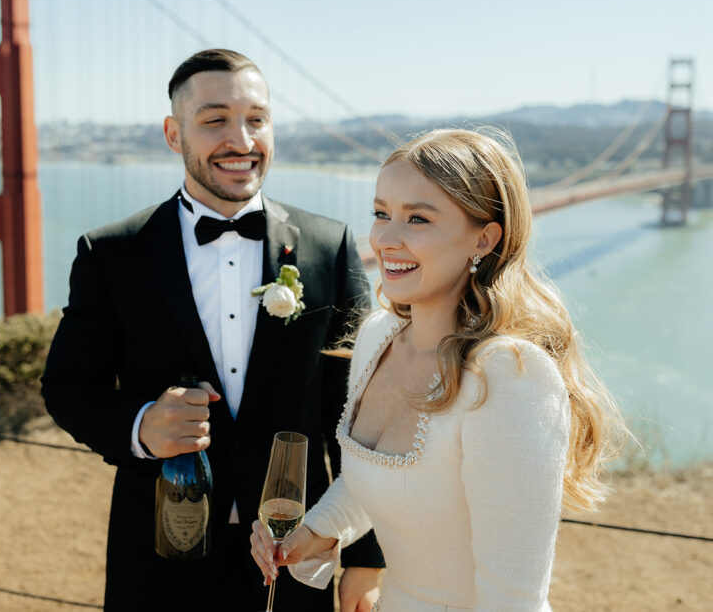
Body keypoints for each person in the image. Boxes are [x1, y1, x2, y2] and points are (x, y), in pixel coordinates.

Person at [41, 49, 384, 611]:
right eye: (215, 119)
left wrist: (366, 558)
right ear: (174, 134)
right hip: (159, 555)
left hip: (298, 552)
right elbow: (67, 386)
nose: (242, 140)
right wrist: (140, 425)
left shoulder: (331, 246)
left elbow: (356, 418)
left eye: (257, 118)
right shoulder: (111, 254)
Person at [249, 128, 625, 610]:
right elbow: (382, 479)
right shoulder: (376, 338)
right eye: (381, 213)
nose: (385, 239)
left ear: (485, 239)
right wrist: (318, 531)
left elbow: (512, 601)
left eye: (418, 219)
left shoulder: (509, 379)